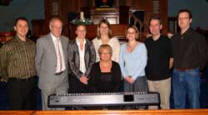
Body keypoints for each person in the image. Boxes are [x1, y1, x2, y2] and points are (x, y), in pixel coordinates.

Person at [171, 9, 208, 108]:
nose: (182, 20)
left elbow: (204, 55)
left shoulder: (198, 37)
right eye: (180, 18)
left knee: (194, 104)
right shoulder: (174, 38)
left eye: (185, 18)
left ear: (190, 20)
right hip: (176, 74)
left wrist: (198, 69)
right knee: (178, 104)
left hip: (192, 74)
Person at [0, 17, 37, 110]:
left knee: (31, 110)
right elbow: (2, 66)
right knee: (17, 111)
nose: (23, 28)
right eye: (20, 26)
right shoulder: (7, 46)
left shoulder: (32, 44)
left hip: (31, 84)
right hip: (16, 86)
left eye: (25, 26)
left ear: (28, 28)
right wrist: (9, 80)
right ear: (15, 28)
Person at [35, 17, 69, 110]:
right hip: (48, 80)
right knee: (48, 108)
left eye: (60, 27)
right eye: (56, 27)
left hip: (63, 79)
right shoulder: (42, 41)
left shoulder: (65, 40)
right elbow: (37, 62)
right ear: (50, 27)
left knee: (61, 107)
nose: (58, 30)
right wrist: (43, 77)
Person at [144, 15, 173, 109]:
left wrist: (164, 71)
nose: (154, 27)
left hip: (164, 80)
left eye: (156, 25)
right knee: (152, 106)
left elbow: (171, 59)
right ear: (149, 28)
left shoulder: (167, 41)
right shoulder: (146, 42)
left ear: (160, 26)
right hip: (150, 81)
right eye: (151, 25)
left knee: (164, 106)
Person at [68, 24, 96, 93]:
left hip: (88, 76)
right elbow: (70, 62)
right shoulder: (71, 44)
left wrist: (86, 75)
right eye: (79, 30)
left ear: (86, 32)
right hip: (75, 77)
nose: (81, 32)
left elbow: (93, 60)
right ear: (76, 32)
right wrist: (80, 76)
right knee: (75, 100)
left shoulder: (90, 43)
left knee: (88, 99)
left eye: (83, 30)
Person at [120, 26, 148, 92]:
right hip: (127, 78)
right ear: (126, 34)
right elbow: (120, 63)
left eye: (133, 32)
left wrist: (133, 77)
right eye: (129, 32)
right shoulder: (122, 47)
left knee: (140, 101)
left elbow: (143, 63)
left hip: (139, 78)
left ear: (136, 34)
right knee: (128, 101)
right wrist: (125, 76)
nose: (130, 34)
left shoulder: (142, 46)